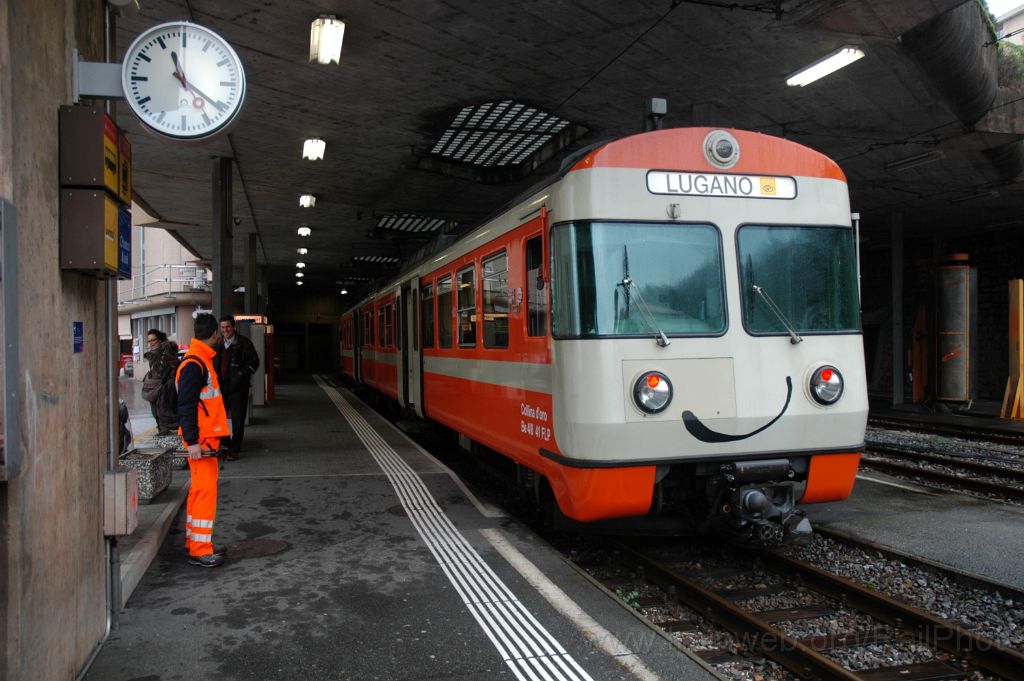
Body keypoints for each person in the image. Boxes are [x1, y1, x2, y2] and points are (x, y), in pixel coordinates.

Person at [176, 313, 231, 568]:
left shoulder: (198, 360)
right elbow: (185, 406)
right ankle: (200, 550)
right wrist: (193, 441)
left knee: (198, 491)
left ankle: (195, 543)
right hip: (202, 441)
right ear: (215, 335)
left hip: (205, 439)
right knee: (205, 493)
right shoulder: (196, 363)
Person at [215, 315, 260, 461]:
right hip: (221, 388)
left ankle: (234, 450)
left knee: (238, 421)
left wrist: (240, 374)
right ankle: (225, 446)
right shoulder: (218, 344)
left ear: (234, 327)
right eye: (222, 327)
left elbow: (255, 362)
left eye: (228, 327)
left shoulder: (244, 343)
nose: (225, 330)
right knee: (220, 420)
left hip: (238, 389)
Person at [143, 328, 180, 436]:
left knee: (165, 415)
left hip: (166, 391)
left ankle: (166, 433)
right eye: (149, 341)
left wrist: (163, 383)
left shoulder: (167, 354)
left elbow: (172, 370)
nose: (151, 343)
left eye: (153, 340)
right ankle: (162, 431)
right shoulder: (154, 355)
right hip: (156, 390)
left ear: (160, 340)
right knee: (157, 413)